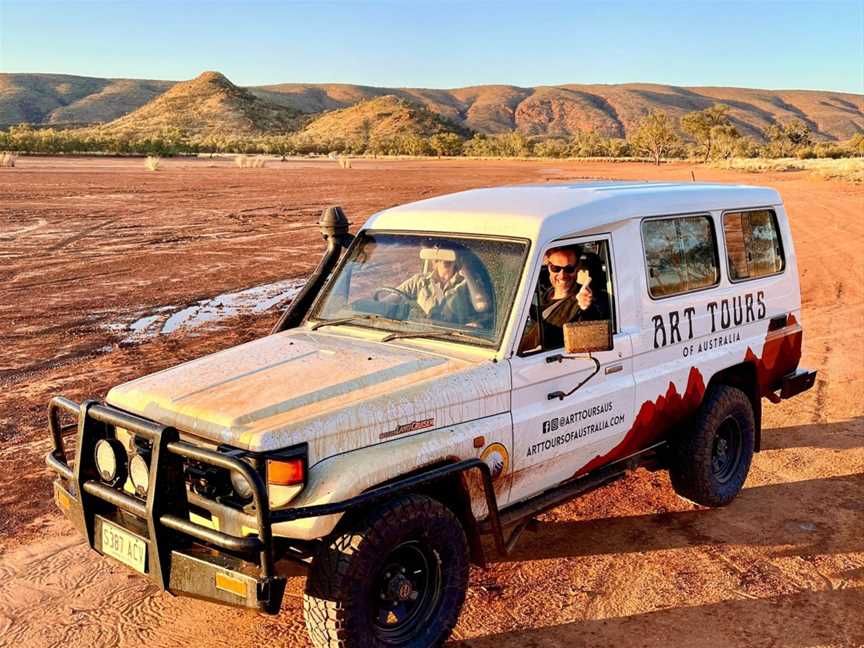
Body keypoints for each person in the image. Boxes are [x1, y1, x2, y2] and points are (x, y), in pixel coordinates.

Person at [380, 245, 490, 325]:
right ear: (434, 260)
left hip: (456, 338)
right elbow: (386, 302)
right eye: (439, 250)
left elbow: (482, 306)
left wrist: (466, 271)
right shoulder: (419, 281)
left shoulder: (467, 282)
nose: (444, 259)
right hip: (420, 335)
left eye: (448, 251)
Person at [539, 247, 610, 348]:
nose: (562, 275)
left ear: (577, 268)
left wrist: (586, 309)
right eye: (556, 268)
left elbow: (591, 337)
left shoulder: (586, 300)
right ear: (548, 267)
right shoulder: (538, 293)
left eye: (569, 269)